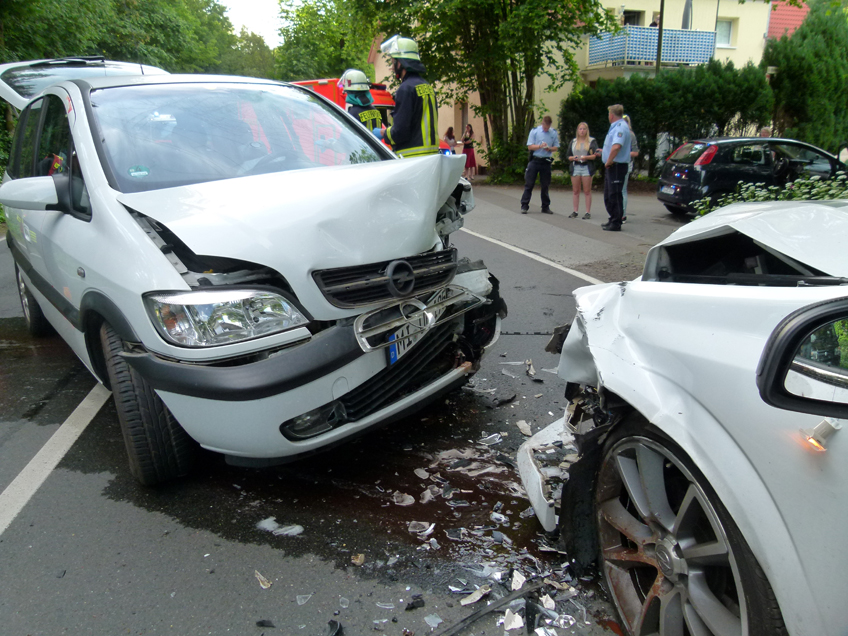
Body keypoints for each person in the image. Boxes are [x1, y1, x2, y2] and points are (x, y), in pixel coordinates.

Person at [380, 35, 439, 158]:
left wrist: (383, 133)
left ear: (400, 63)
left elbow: (400, 132)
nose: (391, 68)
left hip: (412, 159)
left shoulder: (405, 89)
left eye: (393, 62)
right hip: (431, 158)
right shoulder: (427, 86)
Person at [601, 104, 631, 231]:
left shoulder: (620, 128)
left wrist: (608, 160)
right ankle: (612, 217)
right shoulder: (615, 127)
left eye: (609, 114)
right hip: (613, 165)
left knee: (615, 194)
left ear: (611, 115)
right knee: (609, 195)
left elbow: (616, 147)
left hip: (616, 165)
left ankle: (616, 222)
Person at [520, 115, 559, 214]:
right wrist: (539, 146)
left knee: (545, 185)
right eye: (544, 127)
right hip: (535, 160)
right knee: (529, 183)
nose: (546, 129)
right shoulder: (535, 131)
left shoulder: (553, 133)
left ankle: (545, 206)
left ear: (550, 125)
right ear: (542, 124)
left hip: (546, 161)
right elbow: (530, 146)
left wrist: (549, 148)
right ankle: (524, 205)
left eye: (547, 127)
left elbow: (556, 147)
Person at [567, 122, 599, 219]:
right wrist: (573, 158)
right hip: (576, 166)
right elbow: (568, 156)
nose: (582, 131)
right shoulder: (573, 142)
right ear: (577, 130)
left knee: (587, 190)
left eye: (584, 129)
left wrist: (586, 157)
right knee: (575, 190)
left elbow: (595, 155)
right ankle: (575, 211)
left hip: (586, 167)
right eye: (580, 129)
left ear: (587, 130)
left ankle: (587, 212)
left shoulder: (591, 141)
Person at [621, 114, 640, 223]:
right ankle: (616, 213)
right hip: (617, 164)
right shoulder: (617, 134)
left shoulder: (630, 135)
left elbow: (635, 152)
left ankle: (623, 214)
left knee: (622, 189)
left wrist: (624, 154)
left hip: (626, 163)